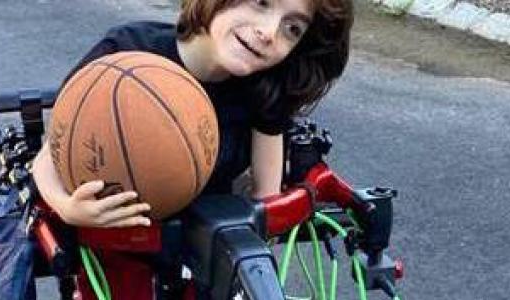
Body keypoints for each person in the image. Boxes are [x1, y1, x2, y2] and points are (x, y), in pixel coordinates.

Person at [33, 0, 352, 232]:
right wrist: (67, 208)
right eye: (261, 2)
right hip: (114, 239)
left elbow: (265, 199)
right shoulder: (124, 53)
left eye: (292, 28)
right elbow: (49, 157)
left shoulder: (266, 89)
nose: (269, 32)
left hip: (202, 243)